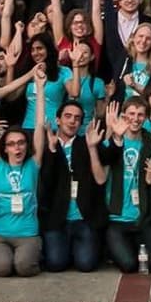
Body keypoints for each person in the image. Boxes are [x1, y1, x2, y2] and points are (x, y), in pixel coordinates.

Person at [0, 85, 52, 277]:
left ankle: (31, 255)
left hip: (28, 234)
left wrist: (40, 87)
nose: (17, 148)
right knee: (2, 268)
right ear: (5, 148)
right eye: (11, 144)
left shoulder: (33, 164)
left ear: (26, 145)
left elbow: (39, 125)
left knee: (23, 267)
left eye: (21, 143)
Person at [100, 98, 151, 273]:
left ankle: (131, 244)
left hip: (141, 217)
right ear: (124, 115)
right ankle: (114, 247)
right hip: (116, 219)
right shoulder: (112, 140)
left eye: (140, 115)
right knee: (129, 265)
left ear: (145, 117)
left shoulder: (150, 141)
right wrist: (113, 134)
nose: (136, 119)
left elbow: (150, 180)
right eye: (131, 113)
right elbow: (102, 176)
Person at [40, 102, 105, 272]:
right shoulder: (48, 144)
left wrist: (92, 148)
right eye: (67, 116)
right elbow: (46, 183)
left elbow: (100, 180)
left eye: (77, 118)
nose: (72, 121)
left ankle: (75, 248)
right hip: (57, 219)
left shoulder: (88, 143)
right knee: (55, 264)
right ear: (58, 120)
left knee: (86, 265)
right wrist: (52, 151)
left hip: (83, 218)